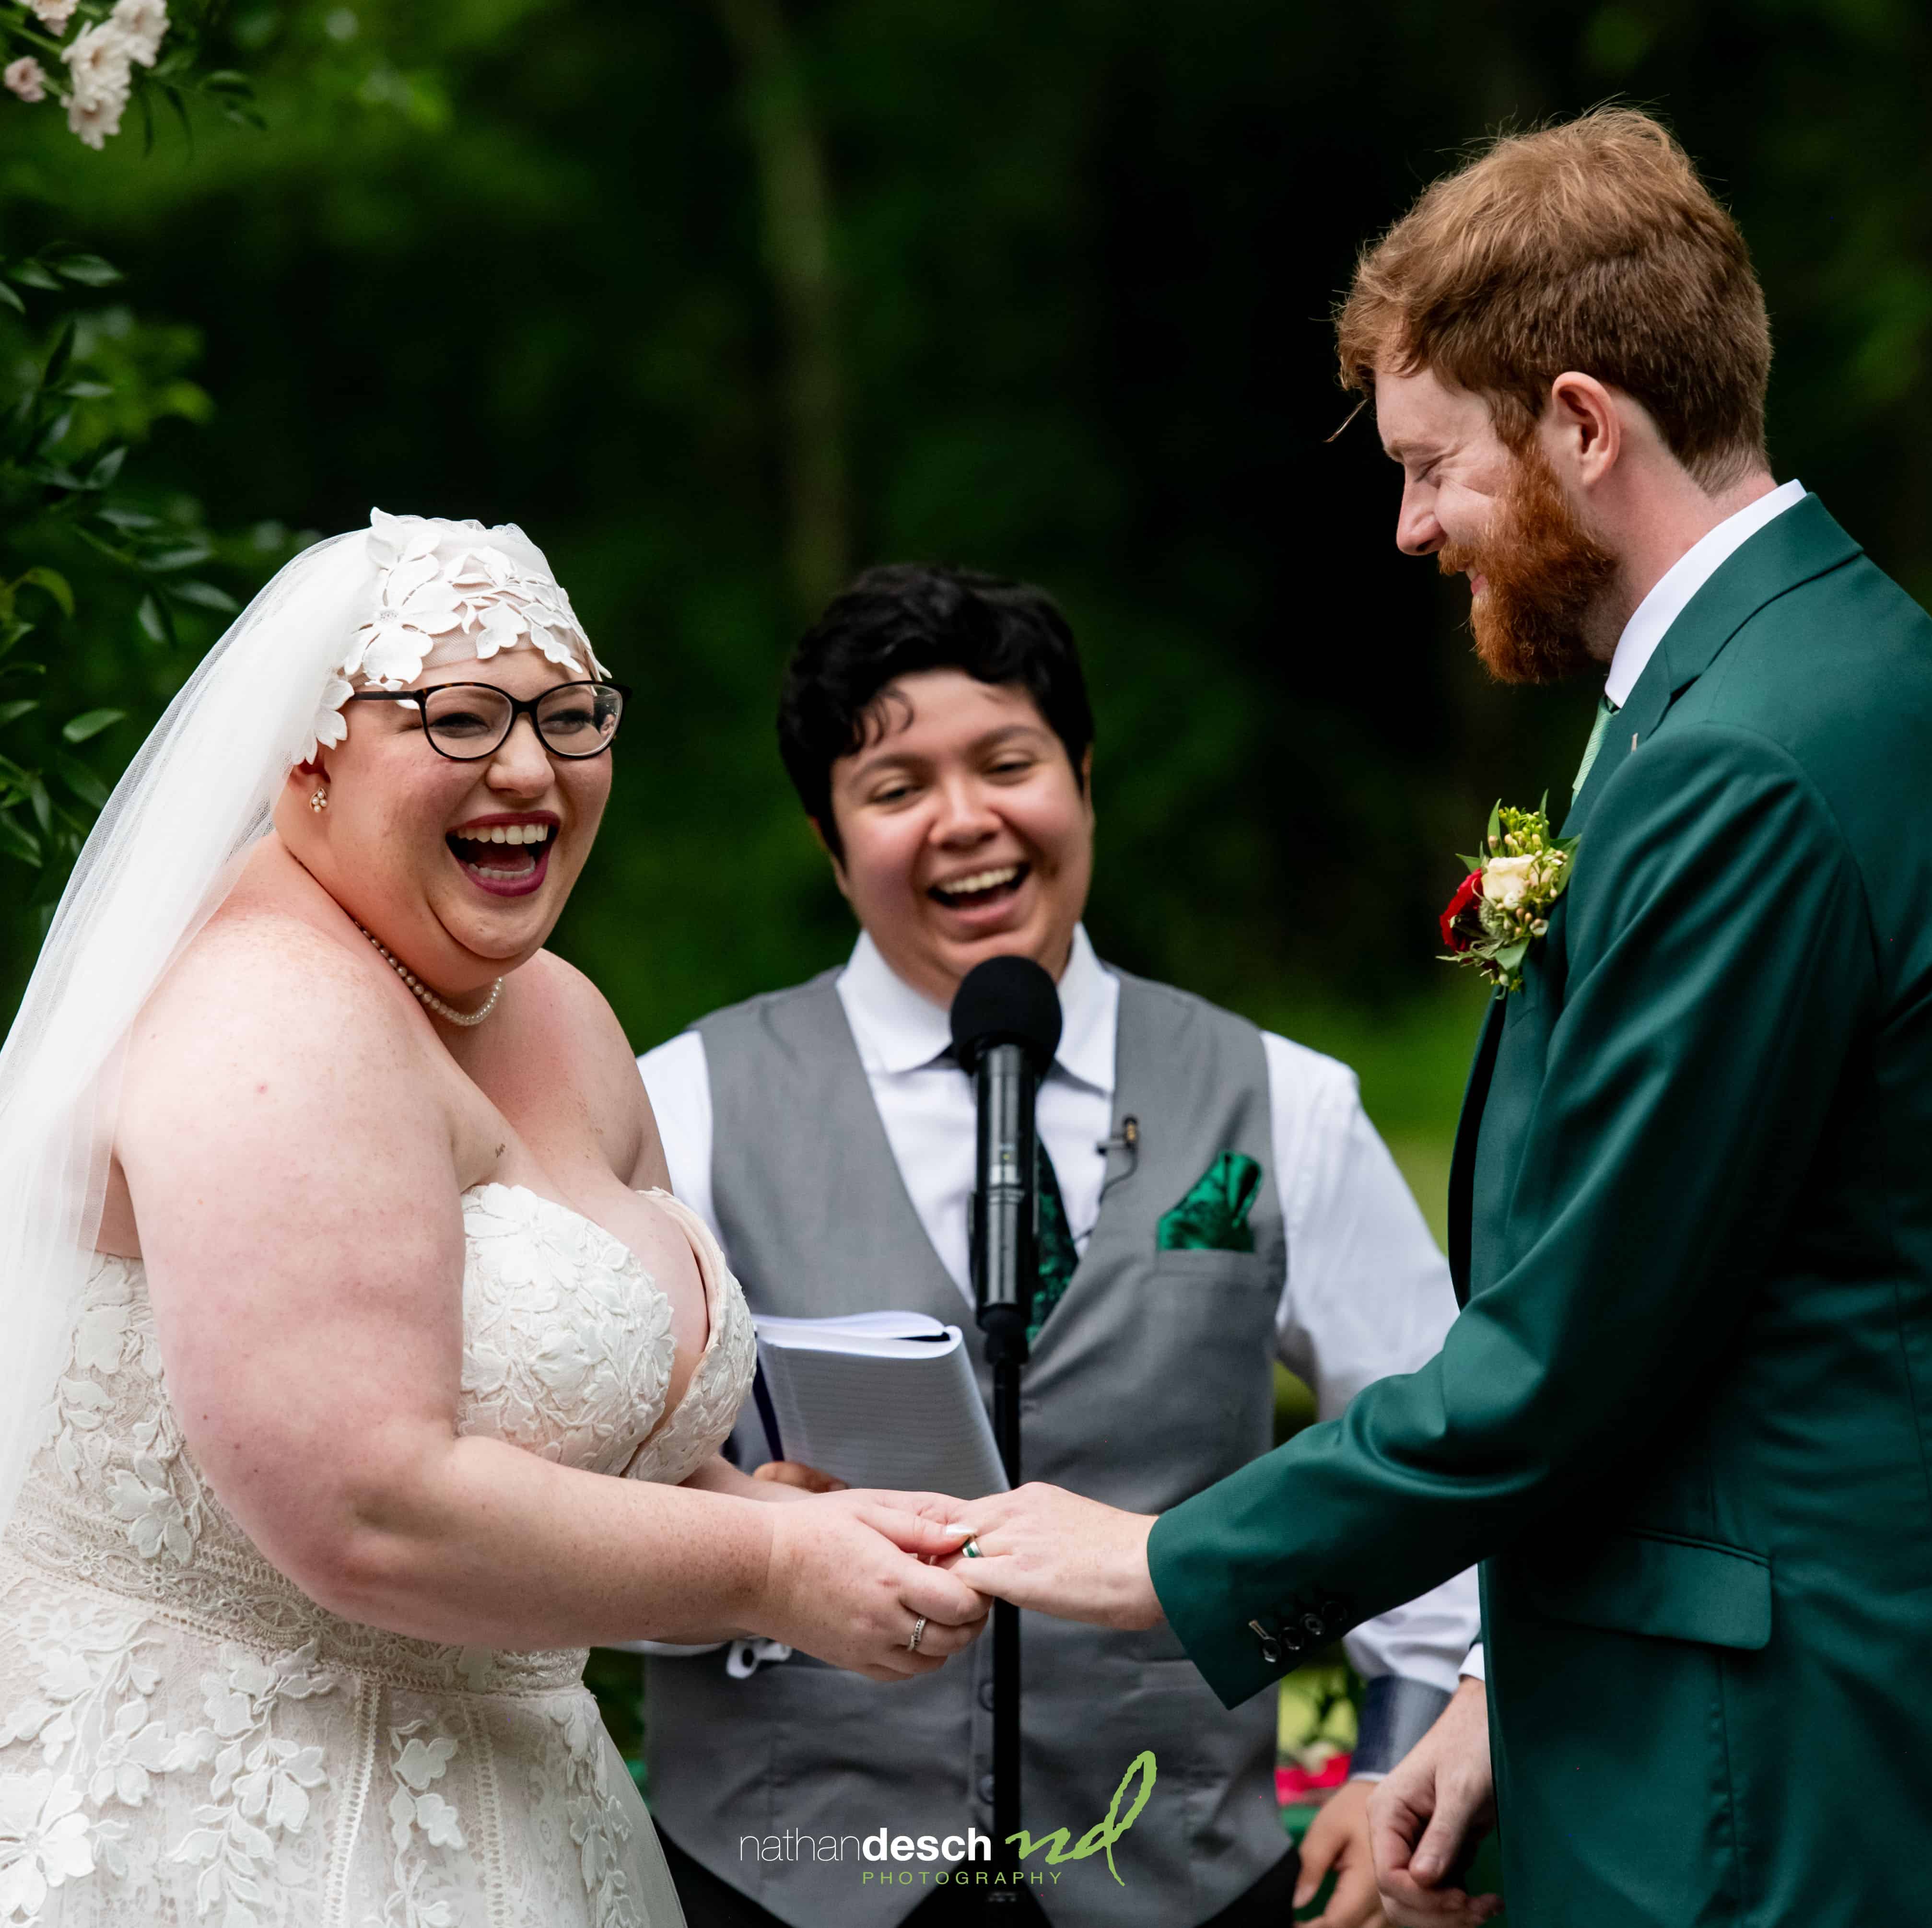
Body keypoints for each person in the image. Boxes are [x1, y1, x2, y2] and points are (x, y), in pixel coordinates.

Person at [931, 108, 1932, 1928]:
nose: (1409, 528)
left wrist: (1168, 1561)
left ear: (1583, 424)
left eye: (1431, 466)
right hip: (1795, 1694)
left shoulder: (1751, 761)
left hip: (1834, 1770)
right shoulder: (1791, 673)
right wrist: (1500, 1694)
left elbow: (1576, 1345)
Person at [0, 514, 986, 1928]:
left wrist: (798, 1528)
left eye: (569, 715)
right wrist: (770, 1572)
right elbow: (367, 1506)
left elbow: (584, 1456)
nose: (529, 768)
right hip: (207, 1825)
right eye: (458, 718)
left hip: (517, 1809)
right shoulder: (271, 1013)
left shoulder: (561, 1014)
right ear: (308, 754)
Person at [632, 564, 1485, 1928]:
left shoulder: (1285, 1102)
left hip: (1179, 1876)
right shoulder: (682, 1105)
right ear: (829, 841)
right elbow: (576, 1505)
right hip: (782, 1882)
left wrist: (1395, 1752)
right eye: (896, 787)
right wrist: (753, 1559)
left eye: (1007, 763)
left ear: (1082, 779)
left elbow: (1438, 1450)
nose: (966, 819)